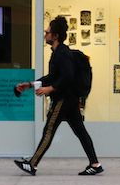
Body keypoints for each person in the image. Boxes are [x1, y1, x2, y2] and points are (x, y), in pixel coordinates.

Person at [12, 15, 102, 176]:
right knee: (80, 131)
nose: (45, 35)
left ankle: (32, 165)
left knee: (49, 130)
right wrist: (30, 85)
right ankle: (95, 164)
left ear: (55, 36)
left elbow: (67, 76)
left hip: (63, 98)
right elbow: (53, 76)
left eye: (47, 33)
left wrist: (50, 89)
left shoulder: (62, 54)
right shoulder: (58, 53)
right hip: (69, 98)